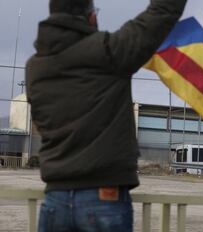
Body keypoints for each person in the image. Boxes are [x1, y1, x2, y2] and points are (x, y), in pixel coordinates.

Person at [25, 0, 187, 231]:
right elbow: (161, 12)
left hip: (55, 199)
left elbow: (40, 122)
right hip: (103, 196)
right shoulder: (109, 51)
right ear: (91, 17)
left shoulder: (34, 67)